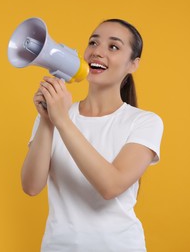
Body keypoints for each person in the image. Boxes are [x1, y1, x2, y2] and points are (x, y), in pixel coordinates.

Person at [21, 19, 164, 251]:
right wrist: (48, 121)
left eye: (113, 47)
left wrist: (62, 120)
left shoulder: (145, 122)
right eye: (93, 43)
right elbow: (31, 186)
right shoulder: (55, 115)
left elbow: (111, 185)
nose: (97, 52)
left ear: (133, 64)